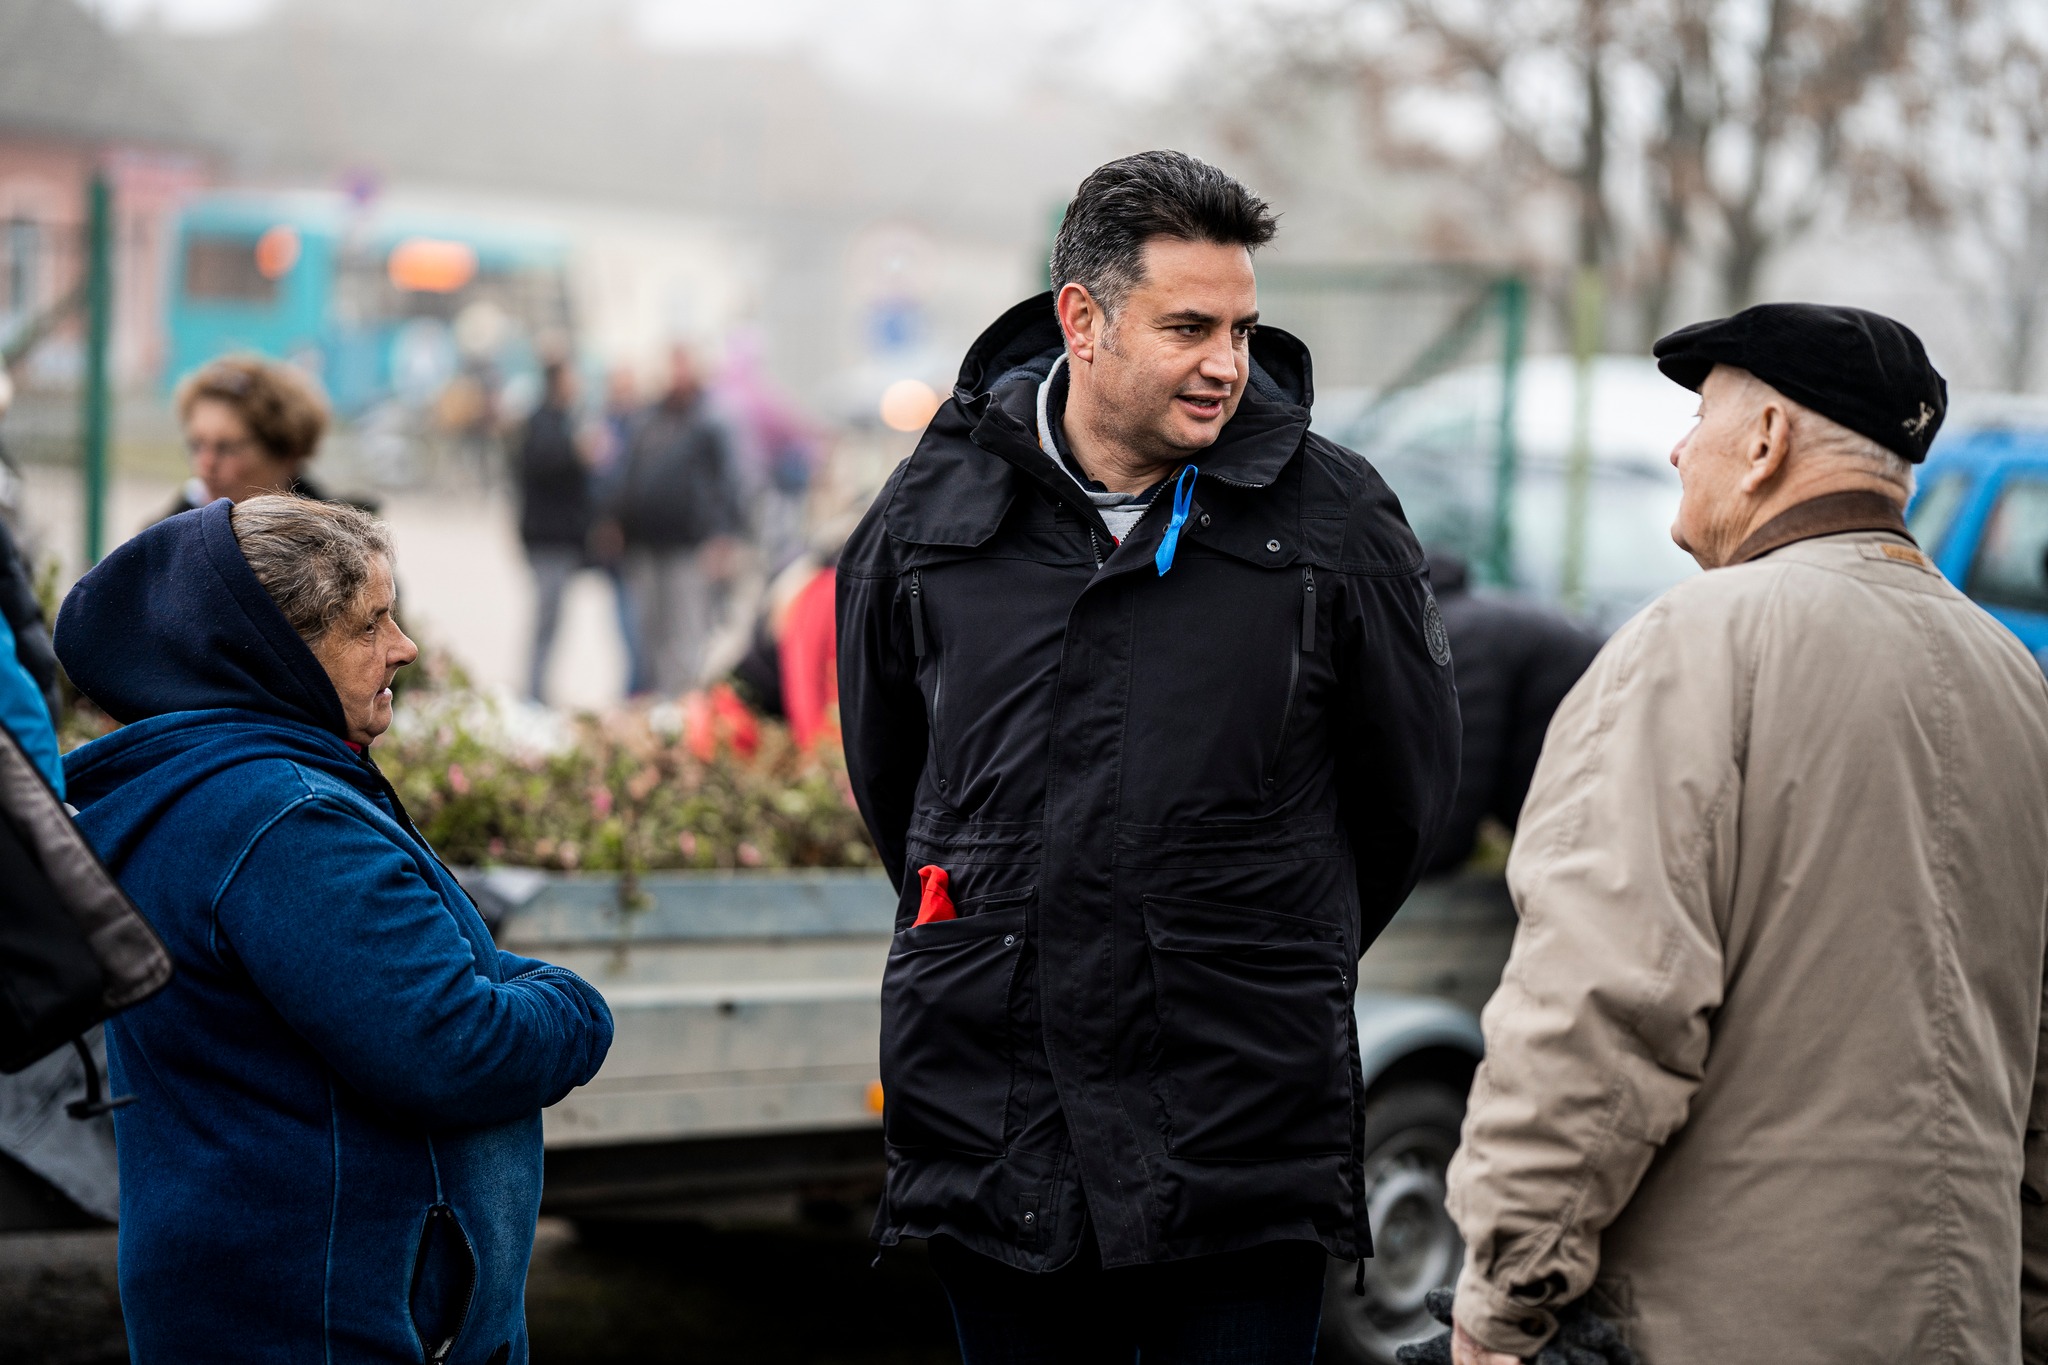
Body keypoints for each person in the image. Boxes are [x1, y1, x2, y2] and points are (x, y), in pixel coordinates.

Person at [837, 150, 1460, 1363]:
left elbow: (1403, 800)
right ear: (1082, 319)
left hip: (1237, 1123)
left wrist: (1251, 932)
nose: (1226, 363)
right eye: (1187, 327)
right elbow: (896, 786)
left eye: (1241, 327)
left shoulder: (1334, 519)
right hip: (997, 1114)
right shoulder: (927, 512)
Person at [1439, 305, 2048, 1364]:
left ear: (1765, 441)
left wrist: (1504, 1296)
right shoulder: (2012, 679)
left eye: (1699, 414)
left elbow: (1597, 1005)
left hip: (1717, 1323)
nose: (1677, 449)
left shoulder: (1689, 644)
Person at [54, 495, 615, 1362]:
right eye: (370, 623)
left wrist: (479, 978)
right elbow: (451, 1042)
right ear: (275, 649)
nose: (405, 646)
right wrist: (577, 1007)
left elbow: (393, 983)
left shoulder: (210, 790)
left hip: (278, 1299)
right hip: (337, 1319)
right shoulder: (284, 822)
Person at [1421, 550, 1602, 874]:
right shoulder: (1476, 616)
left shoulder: (1458, 636)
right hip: (1586, 807)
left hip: (1589, 818)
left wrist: (1422, 860)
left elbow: (1464, 769)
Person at [612, 347, 743, 695]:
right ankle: (654, 702)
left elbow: (728, 483)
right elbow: (627, 475)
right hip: (645, 542)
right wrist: (616, 522)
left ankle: (682, 706)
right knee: (649, 631)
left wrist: (722, 536)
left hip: (689, 544)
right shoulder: (645, 420)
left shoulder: (709, 422)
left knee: (685, 631)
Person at [162, 354, 345, 519]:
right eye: (197, 445)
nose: (206, 463)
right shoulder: (167, 541)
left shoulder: (337, 544)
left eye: (226, 448)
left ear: (287, 454)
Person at [514, 360, 592, 702]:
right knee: (548, 616)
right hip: (548, 538)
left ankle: (537, 687)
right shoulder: (543, 423)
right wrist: (577, 454)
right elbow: (542, 466)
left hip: (560, 537)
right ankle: (534, 690)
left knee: (554, 617)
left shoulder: (566, 420)